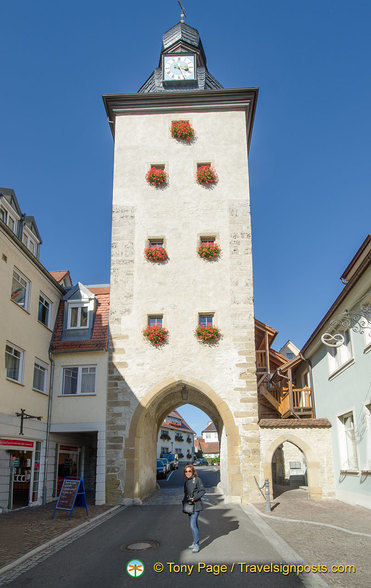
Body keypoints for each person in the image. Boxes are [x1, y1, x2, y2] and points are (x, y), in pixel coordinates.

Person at [183, 464, 205, 553]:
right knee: (194, 525)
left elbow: (203, 491)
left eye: (189, 471)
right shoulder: (186, 482)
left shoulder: (197, 480)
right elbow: (185, 493)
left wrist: (194, 498)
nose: (187, 473)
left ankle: (196, 544)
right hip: (189, 506)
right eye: (186, 471)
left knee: (192, 525)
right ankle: (195, 542)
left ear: (193, 472)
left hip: (196, 505)